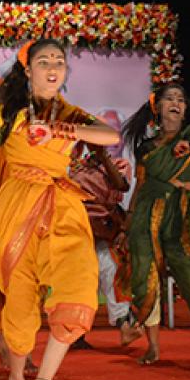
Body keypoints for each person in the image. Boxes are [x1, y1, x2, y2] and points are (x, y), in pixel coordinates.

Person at [0, 39, 122, 380]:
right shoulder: (6, 115)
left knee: (79, 280)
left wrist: (62, 131)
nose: (53, 67)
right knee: (21, 292)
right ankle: (16, 375)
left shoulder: (71, 114)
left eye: (59, 61)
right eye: (44, 61)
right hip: (16, 205)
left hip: (62, 205)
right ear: (28, 70)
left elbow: (110, 135)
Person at [119, 83, 190, 370]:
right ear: (158, 108)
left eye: (180, 99)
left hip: (183, 213)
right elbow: (140, 184)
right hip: (146, 213)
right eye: (169, 99)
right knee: (145, 276)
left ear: (185, 109)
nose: (176, 103)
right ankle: (152, 346)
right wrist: (128, 220)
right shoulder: (146, 147)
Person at [66, 143, 133, 352]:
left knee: (111, 271)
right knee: (80, 280)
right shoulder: (71, 165)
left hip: (106, 227)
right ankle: (74, 334)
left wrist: (102, 157)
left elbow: (121, 185)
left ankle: (124, 326)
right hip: (75, 226)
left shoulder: (118, 164)